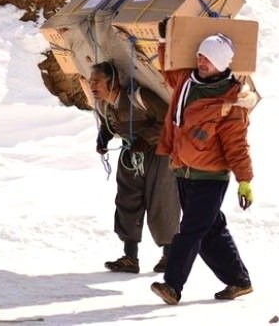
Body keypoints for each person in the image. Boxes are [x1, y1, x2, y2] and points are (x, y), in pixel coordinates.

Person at [150, 33, 258, 305]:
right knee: (211, 230)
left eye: (209, 58)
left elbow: (237, 145)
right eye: (200, 55)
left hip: (211, 177)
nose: (202, 61)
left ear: (222, 63)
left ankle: (172, 286)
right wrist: (165, 42)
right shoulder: (188, 81)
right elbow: (168, 71)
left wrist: (244, 180)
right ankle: (239, 281)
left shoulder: (231, 101)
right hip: (183, 171)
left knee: (191, 231)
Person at [90, 61, 180, 274]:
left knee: (161, 200)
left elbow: (168, 120)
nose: (92, 86)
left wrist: (146, 139)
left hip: (159, 152)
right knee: (126, 200)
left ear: (112, 83)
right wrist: (104, 138)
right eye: (90, 81)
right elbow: (108, 123)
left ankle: (170, 257)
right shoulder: (103, 104)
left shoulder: (140, 97)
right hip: (130, 153)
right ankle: (130, 258)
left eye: (97, 82)